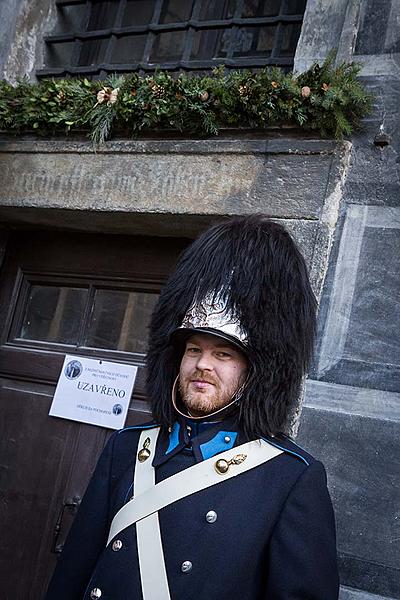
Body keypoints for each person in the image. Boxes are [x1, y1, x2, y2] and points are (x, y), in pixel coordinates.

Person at [46, 216, 339, 600]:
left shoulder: (289, 477)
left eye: (224, 354)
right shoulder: (127, 448)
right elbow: (74, 572)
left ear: (255, 371)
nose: (203, 364)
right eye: (194, 349)